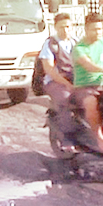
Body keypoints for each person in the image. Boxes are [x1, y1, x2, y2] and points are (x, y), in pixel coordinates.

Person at [71, 12, 103, 155]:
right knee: (91, 103)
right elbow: (89, 65)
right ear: (86, 29)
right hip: (84, 87)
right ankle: (100, 139)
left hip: (101, 85)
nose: (98, 32)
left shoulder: (102, 42)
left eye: (100, 29)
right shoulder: (79, 48)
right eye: (94, 29)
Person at [39, 13, 76, 149]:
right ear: (55, 27)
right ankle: (67, 138)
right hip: (55, 82)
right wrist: (67, 84)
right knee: (66, 99)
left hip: (74, 80)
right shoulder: (51, 44)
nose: (65, 30)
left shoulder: (75, 43)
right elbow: (49, 69)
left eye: (67, 26)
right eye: (61, 27)